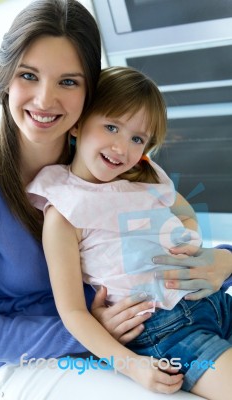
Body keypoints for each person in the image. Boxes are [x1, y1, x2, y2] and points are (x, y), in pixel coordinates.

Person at [0, 0, 231, 399]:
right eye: (28, 75)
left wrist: (224, 260)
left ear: (92, 91)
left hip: (144, 323)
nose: (44, 100)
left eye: (68, 81)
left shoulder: (111, 162)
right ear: (4, 78)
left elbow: (166, 234)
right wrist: (97, 330)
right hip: (25, 361)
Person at [27, 66, 232, 400]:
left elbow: (182, 209)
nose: (122, 148)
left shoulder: (144, 177)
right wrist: (132, 365)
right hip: (165, 330)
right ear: (77, 123)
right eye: (111, 127)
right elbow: (73, 312)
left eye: (137, 139)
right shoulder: (64, 211)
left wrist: (189, 237)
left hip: (212, 300)